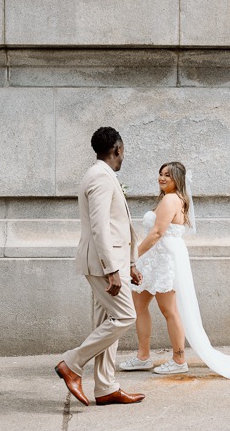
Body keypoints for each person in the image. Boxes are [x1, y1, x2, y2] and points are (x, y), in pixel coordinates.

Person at [119, 161, 230, 381]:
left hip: (163, 259)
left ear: (178, 179)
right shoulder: (171, 199)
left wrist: (133, 257)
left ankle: (178, 360)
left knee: (169, 310)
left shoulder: (171, 199)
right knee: (139, 305)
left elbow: (157, 233)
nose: (162, 177)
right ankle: (143, 356)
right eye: (160, 174)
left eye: (168, 175)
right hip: (154, 259)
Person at [55, 127, 146, 406]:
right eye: (123, 150)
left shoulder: (103, 175)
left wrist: (128, 262)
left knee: (106, 323)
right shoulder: (100, 178)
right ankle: (72, 363)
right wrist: (111, 269)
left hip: (112, 262)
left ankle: (105, 388)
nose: (123, 155)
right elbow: (100, 228)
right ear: (117, 149)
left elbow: (118, 226)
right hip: (101, 265)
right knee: (125, 317)